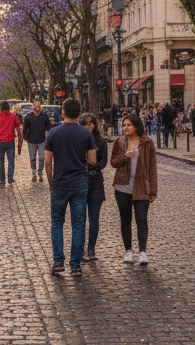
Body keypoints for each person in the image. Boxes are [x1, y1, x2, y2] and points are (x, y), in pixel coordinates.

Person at [44, 98, 97, 275]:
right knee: (79, 224)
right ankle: (75, 265)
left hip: (59, 184)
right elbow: (92, 160)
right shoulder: (86, 134)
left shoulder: (53, 133)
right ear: (80, 113)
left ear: (63, 113)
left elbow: (47, 161)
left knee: (57, 223)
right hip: (79, 184)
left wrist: (51, 182)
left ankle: (58, 262)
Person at [110, 112, 157, 264]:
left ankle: (143, 252)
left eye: (128, 125)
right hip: (122, 187)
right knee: (125, 219)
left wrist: (153, 191)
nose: (125, 127)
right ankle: (128, 250)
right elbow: (113, 162)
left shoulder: (147, 143)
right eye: (124, 125)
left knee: (141, 219)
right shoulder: (120, 142)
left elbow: (152, 167)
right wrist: (126, 157)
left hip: (142, 187)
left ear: (136, 126)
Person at [78, 112, 108, 263]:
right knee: (81, 219)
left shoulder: (100, 141)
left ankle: (91, 248)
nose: (89, 125)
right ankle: (81, 249)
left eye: (91, 122)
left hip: (96, 182)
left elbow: (104, 162)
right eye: (86, 123)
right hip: (81, 183)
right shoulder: (77, 140)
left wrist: (93, 164)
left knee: (94, 218)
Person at [0, 100, 23, 187]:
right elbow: (19, 129)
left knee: (0, 162)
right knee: (11, 161)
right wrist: (19, 144)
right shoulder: (13, 117)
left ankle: (2, 181)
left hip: (0, 142)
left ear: (0, 108)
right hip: (10, 142)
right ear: (9, 107)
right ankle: (10, 178)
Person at [22, 101, 51, 182]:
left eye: (38, 105)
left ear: (40, 107)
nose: (36, 107)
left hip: (42, 140)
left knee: (41, 158)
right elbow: (25, 127)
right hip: (31, 140)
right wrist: (24, 136)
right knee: (33, 158)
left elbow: (48, 126)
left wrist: (49, 135)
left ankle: (40, 173)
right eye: (35, 105)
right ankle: (34, 173)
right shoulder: (28, 116)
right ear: (32, 107)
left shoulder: (44, 116)